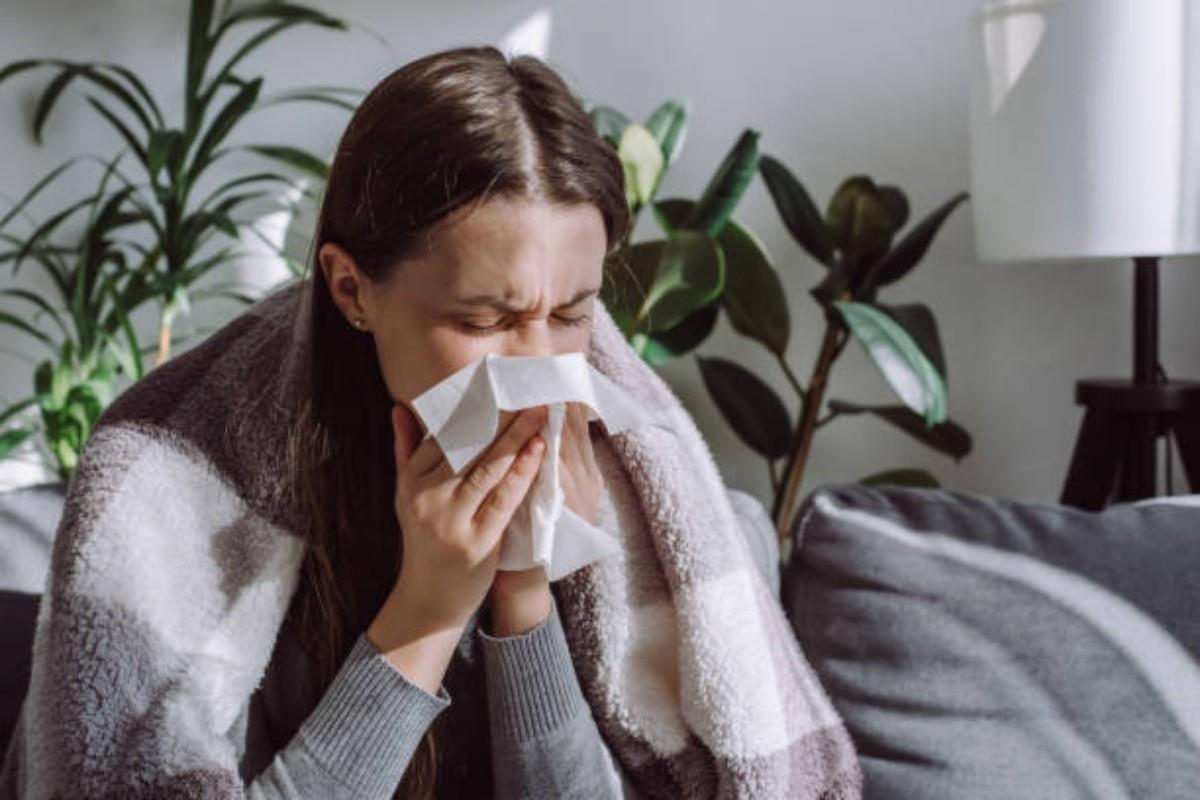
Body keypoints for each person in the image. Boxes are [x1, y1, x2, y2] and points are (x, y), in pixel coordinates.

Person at [1, 44, 861, 800]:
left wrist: (523, 591)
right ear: (351, 291)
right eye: (485, 322)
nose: (537, 370)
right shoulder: (187, 483)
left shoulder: (616, 466)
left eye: (572, 315)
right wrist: (428, 609)